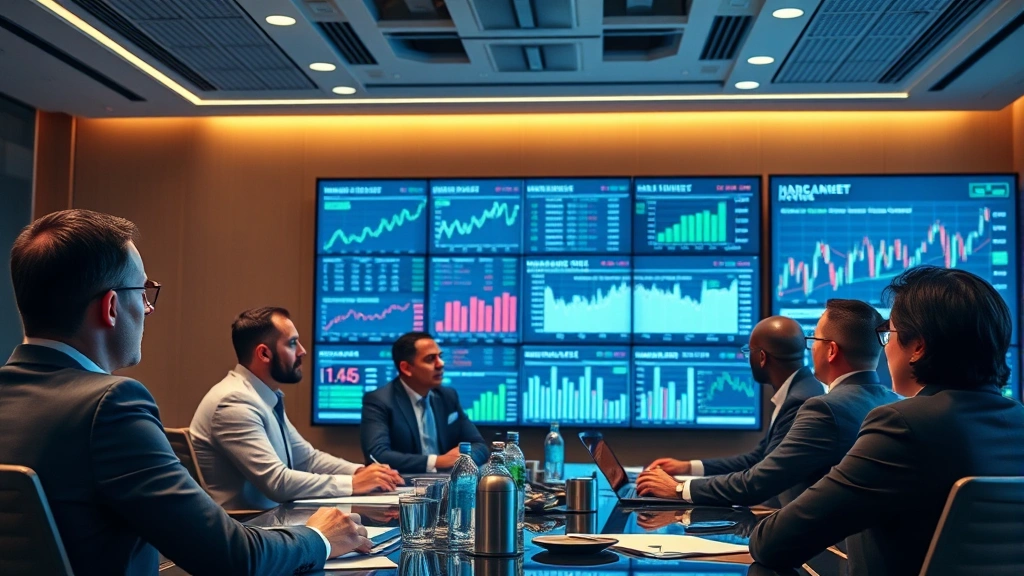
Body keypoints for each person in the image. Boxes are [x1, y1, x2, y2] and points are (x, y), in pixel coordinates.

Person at [0, 210, 370, 575]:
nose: (148, 308)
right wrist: (319, 537)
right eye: (143, 291)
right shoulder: (110, 406)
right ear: (111, 307)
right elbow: (233, 557)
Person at [750, 266, 1024, 575]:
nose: (886, 347)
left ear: (918, 346)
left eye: (889, 334)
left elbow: (774, 542)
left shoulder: (902, 425)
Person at [665, 300, 900, 507]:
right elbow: (763, 458)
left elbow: (759, 483)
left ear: (831, 350)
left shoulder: (824, 409)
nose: (811, 348)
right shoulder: (896, 403)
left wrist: (678, 489)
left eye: (814, 339)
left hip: (820, 549)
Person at [190, 307, 403, 511]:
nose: (302, 351)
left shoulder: (262, 396)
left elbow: (307, 459)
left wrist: (362, 471)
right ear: (264, 354)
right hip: (247, 529)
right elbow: (278, 483)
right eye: (292, 343)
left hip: (266, 522)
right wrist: (354, 483)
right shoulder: (234, 402)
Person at [638, 316, 824, 501]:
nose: (747, 358)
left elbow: (760, 481)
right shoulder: (799, 390)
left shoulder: (800, 401)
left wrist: (679, 489)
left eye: (748, 352)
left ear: (761, 357)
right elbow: (758, 458)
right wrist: (687, 467)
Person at [360, 332, 488, 473]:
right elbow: (377, 455)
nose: (441, 364)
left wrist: (460, 459)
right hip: (405, 484)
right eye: (430, 359)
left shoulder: (447, 396)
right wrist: (437, 461)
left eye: (440, 357)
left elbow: (479, 446)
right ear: (406, 368)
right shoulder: (380, 400)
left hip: (448, 482)